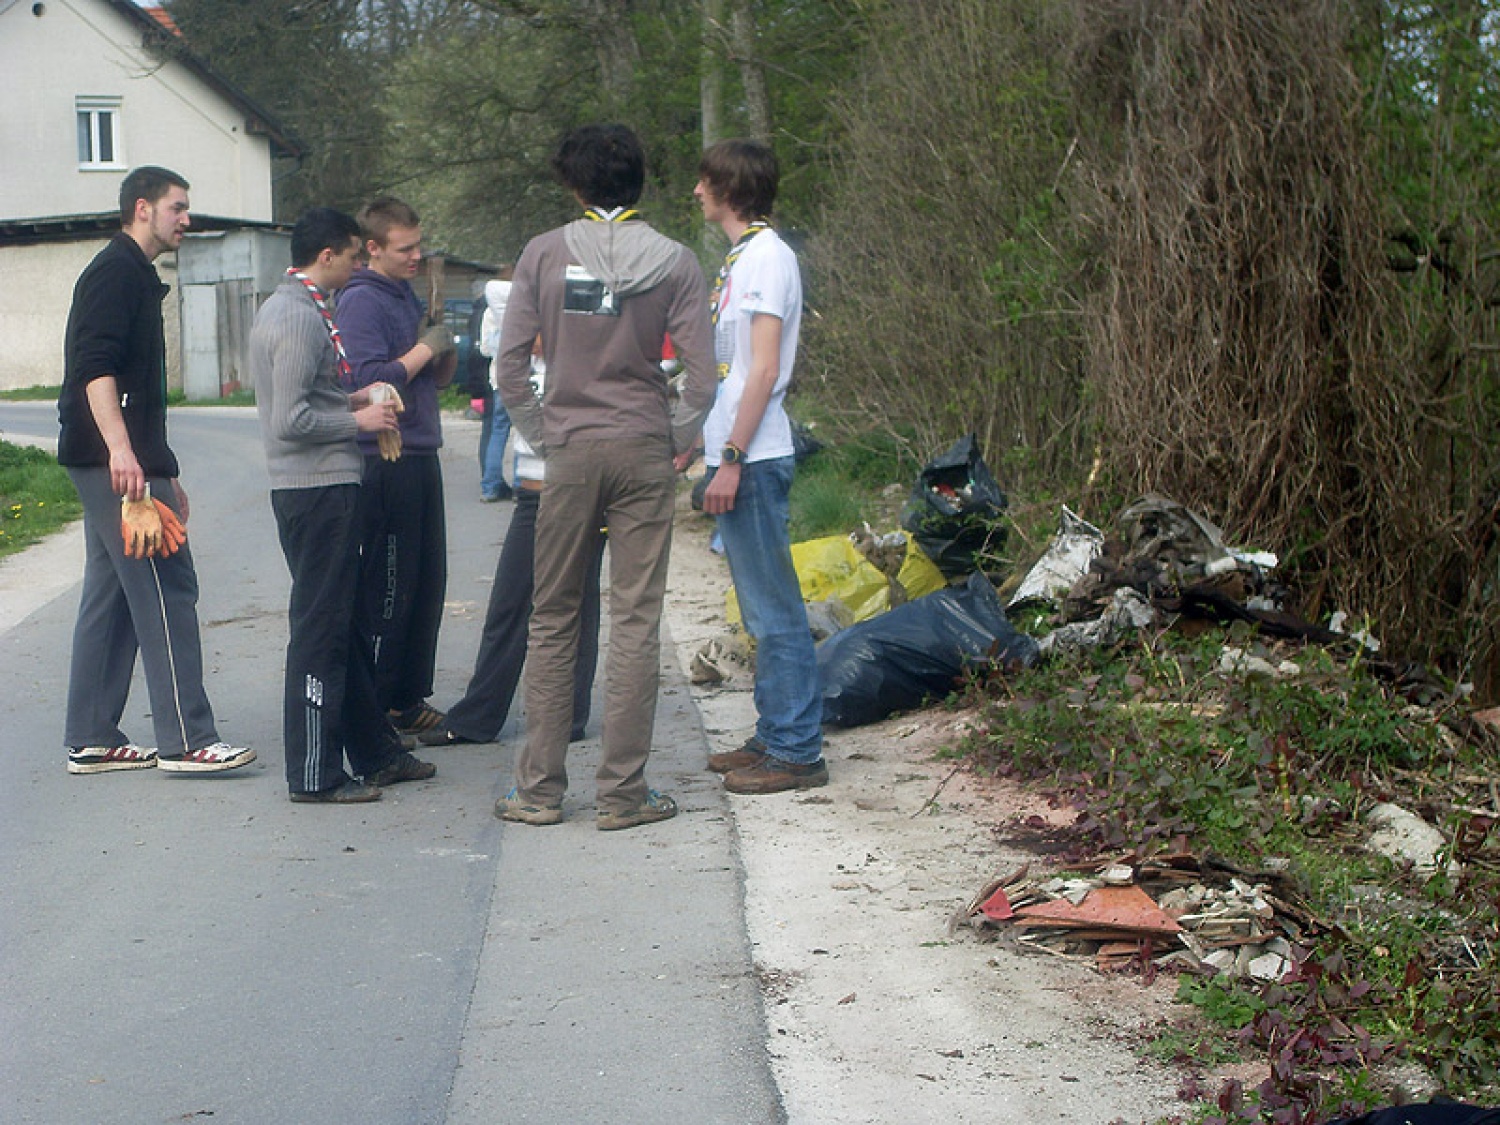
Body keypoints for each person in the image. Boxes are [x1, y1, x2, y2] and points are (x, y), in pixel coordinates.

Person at [494, 123, 715, 830]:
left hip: (572, 450)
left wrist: (547, 436)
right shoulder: (677, 260)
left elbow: (506, 372)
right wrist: (669, 441)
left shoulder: (543, 254)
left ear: (574, 183)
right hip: (643, 450)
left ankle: (537, 791)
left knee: (554, 615)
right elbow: (704, 381)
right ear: (640, 181)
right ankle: (623, 795)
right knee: (635, 617)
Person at [56, 165, 256, 777]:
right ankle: (187, 739)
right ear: (143, 208)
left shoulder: (132, 275)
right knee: (167, 587)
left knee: (112, 592)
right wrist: (124, 455)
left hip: (117, 460)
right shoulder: (116, 273)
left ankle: (91, 734)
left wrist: (163, 468)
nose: (186, 219)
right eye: (178, 207)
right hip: (110, 462)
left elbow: (136, 391)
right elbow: (96, 369)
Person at [250, 206, 438, 803]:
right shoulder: (296, 318)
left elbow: (311, 396)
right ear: (326, 256)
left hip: (329, 487)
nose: (361, 264)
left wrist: (359, 393)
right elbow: (289, 420)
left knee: (349, 627)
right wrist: (357, 416)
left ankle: (377, 753)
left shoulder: (306, 309)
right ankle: (313, 774)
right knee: (321, 632)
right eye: (356, 255)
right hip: (315, 492)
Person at [687, 139, 828, 794]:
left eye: (705, 181)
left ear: (731, 189)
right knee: (758, 607)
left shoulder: (769, 259)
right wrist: (703, 443)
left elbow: (765, 368)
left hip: (758, 454)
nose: (695, 191)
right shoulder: (744, 258)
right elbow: (733, 368)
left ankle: (798, 748)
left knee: (774, 608)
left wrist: (734, 458)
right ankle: (775, 731)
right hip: (735, 449)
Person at [419, 344, 604, 749]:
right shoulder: (526, 333)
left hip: (576, 481)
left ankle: (561, 714)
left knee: (570, 600)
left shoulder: (586, 324)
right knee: (514, 601)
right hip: (534, 484)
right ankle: (489, 713)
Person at [336, 197, 457, 737]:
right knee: (392, 583)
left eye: (419, 245)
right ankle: (380, 700)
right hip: (386, 458)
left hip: (421, 450)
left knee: (427, 582)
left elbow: (438, 380)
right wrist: (425, 351)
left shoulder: (404, 292)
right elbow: (368, 380)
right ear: (373, 248)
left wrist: (442, 342)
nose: (416, 256)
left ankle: (407, 697)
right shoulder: (361, 302)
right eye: (405, 248)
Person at [476, 276, 514, 502]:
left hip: (499, 377)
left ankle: (490, 486)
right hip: (524, 376)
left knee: (497, 432)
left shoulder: (490, 313)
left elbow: (485, 349)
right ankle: (522, 485)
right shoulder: (530, 308)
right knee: (524, 433)